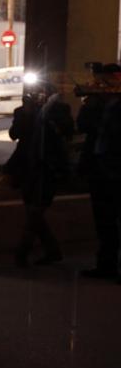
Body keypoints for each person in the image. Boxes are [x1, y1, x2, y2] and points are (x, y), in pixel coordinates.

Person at [6, 80, 74, 266]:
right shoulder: (22, 111)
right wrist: (26, 115)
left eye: (42, 92)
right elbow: (14, 134)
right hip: (28, 167)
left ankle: (21, 254)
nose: (38, 95)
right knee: (32, 211)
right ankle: (53, 250)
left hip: (48, 168)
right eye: (35, 92)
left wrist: (49, 117)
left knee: (36, 211)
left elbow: (68, 132)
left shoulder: (59, 110)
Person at [77, 63, 121, 279]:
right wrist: (90, 103)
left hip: (114, 168)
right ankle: (106, 265)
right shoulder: (98, 104)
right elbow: (83, 126)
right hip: (100, 169)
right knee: (104, 221)